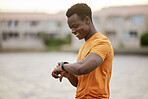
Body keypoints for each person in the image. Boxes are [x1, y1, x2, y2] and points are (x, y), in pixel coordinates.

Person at [51, 3, 114, 99]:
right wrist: (69, 74)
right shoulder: (83, 47)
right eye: (71, 28)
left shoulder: (102, 42)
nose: (72, 31)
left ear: (87, 20)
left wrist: (64, 66)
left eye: (75, 26)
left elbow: (83, 67)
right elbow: (79, 84)